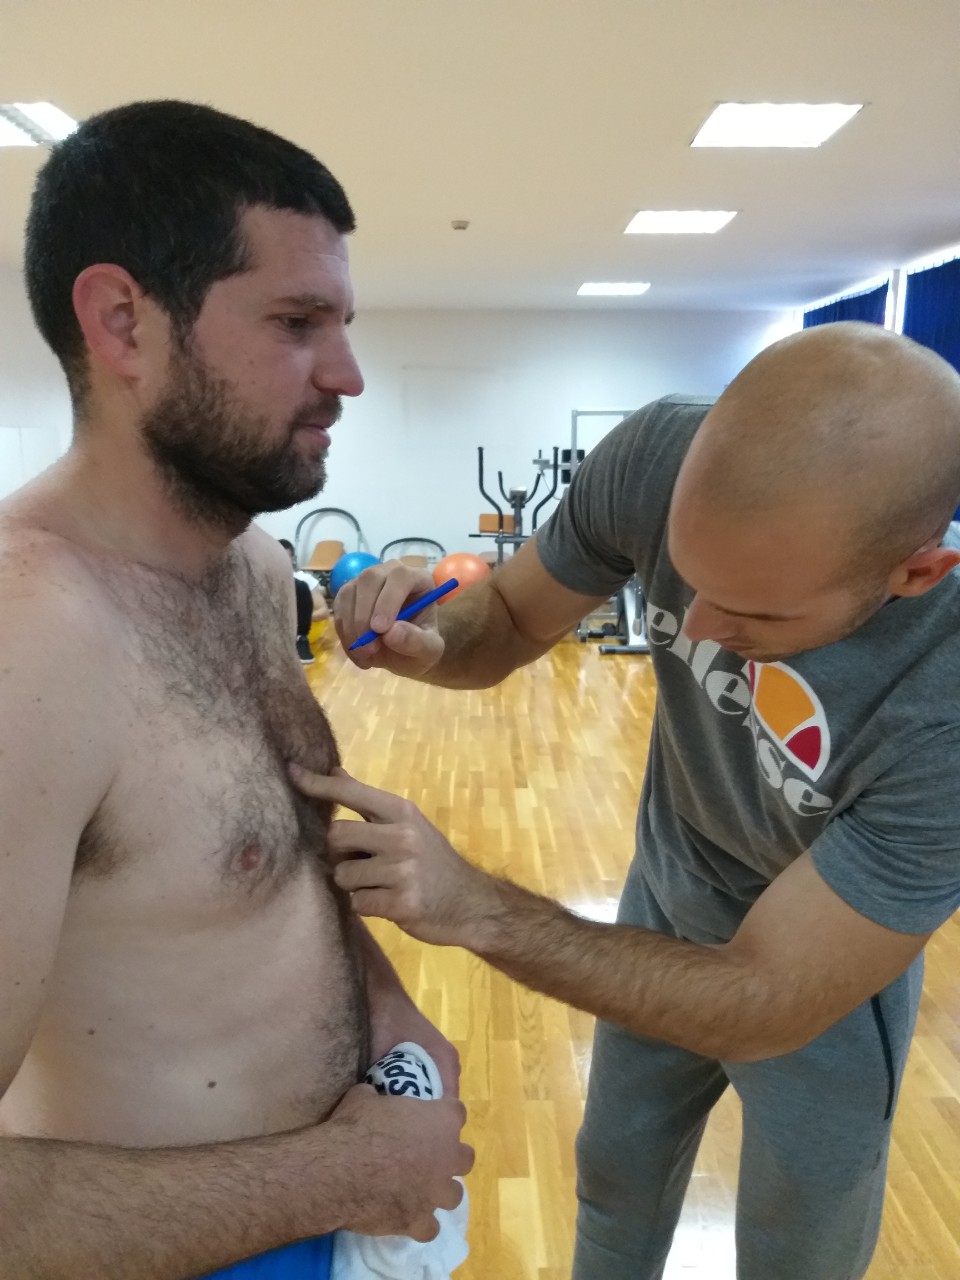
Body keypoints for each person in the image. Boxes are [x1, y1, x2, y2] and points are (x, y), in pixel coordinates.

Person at [296, 322, 960, 1280]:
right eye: (688, 580)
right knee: (614, 1176)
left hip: (813, 968)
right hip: (668, 886)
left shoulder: (945, 696)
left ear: (917, 572)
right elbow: (508, 616)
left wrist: (476, 905)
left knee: (797, 1249)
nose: (698, 628)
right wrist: (432, 641)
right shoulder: (655, 456)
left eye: (757, 612)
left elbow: (761, 1001)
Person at [0, 100, 471, 1280]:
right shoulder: (28, 643)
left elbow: (272, 862)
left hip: (342, 1199)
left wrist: (391, 1015)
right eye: (297, 322)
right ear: (123, 321)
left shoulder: (254, 566)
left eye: (343, 323)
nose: (348, 374)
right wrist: (343, 1171)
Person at [278, 536, 330, 664]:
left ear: (293, 559)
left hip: (300, 627)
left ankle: (301, 639)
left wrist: (292, 621)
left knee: (299, 585)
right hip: (273, 630)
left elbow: (324, 612)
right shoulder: (263, 580)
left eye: (285, 558)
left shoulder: (304, 580)